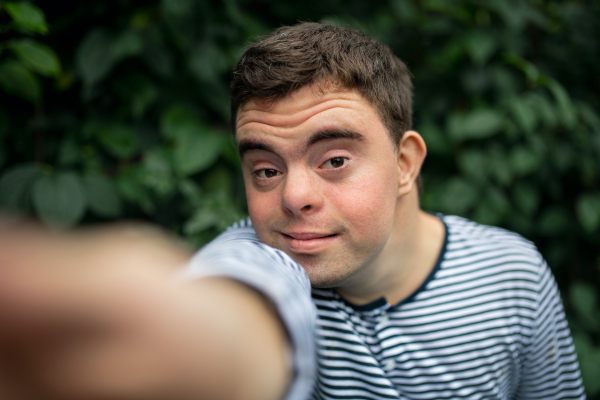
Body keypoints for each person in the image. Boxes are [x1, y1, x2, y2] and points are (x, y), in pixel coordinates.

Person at [0, 22, 585, 400]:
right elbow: (243, 302)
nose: (293, 197)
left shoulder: (514, 273)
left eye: (333, 160)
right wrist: (195, 342)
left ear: (406, 163)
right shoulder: (263, 257)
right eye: (266, 169)